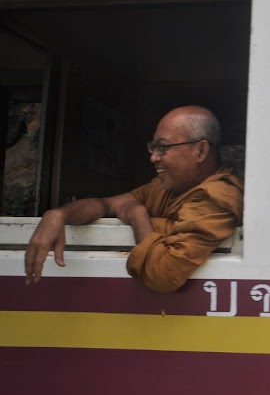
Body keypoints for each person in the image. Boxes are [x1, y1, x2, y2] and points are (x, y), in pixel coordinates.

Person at [24, 105, 243, 293]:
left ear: (201, 150)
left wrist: (138, 216)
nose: (153, 157)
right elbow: (104, 205)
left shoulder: (217, 197)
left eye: (163, 148)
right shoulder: (163, 188)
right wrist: (59, 215)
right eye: (153, 147)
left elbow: (162, 273)